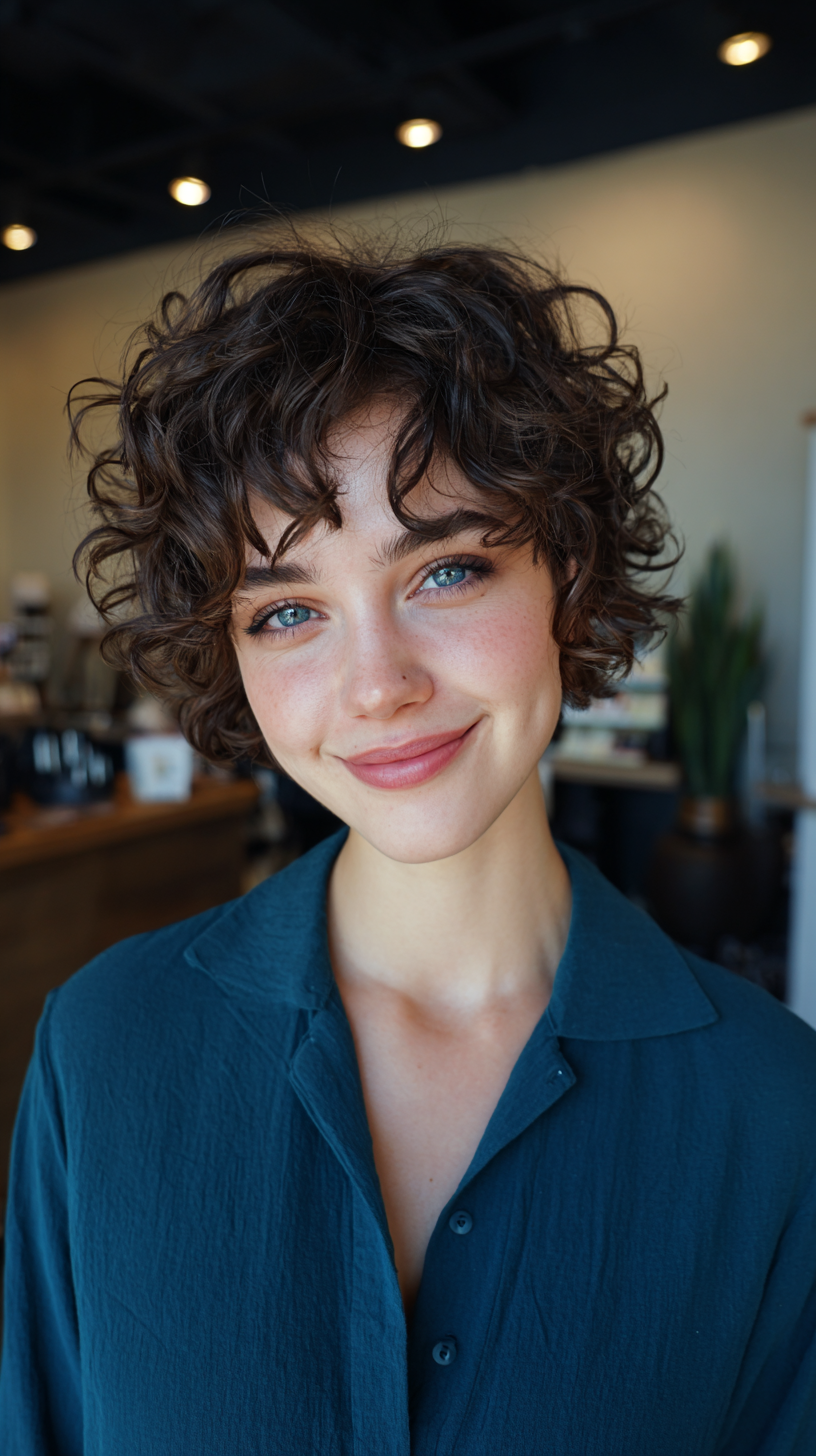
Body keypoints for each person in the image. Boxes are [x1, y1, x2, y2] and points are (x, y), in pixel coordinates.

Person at [1, 235, 815, 1455]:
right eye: (288, 611)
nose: (375, 685)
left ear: (571, 578)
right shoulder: (101, 1050)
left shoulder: (776, 1108)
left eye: (446, 570)